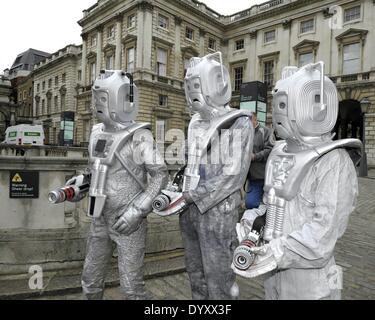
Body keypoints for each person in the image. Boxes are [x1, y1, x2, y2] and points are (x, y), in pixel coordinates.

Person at [233, 62, 362, 300]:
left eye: (285, 104)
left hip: (310, 282)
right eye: (279, 104)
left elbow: (322, 236)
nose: (280, 112)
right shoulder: (280, 152)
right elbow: (268, 207)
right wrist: (251, 224)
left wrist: (274, 251)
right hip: (274, 273)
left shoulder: (333, 161)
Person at [49, 70, 168, 300]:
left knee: (132, 287)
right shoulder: (95, 133)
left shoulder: (140, 136)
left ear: (121, 99)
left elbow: (160, 176)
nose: (96, 105)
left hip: (128, 223)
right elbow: (94, 170)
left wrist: (137, 212)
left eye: (102, 99)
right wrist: (78, 185)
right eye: (96, 99)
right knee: (90, 280)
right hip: (99, 219)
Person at [152, 52, 254, 299]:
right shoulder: (194, 122)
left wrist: (192, 195)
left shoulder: (239, 123)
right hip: (189, 211)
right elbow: (189, 164)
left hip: (218, 213)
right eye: (189, 86)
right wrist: (176, 190)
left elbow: (233, 177)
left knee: (219, 279)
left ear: (216, 85)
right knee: (195, 273)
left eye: (195, 86)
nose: (190, 93)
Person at [245, 112, 275, 209]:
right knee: (250, 204)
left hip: (265, 176)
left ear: (255, 120)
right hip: (252, 177)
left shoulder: (266, 131)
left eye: (249, 121)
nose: (247, 124)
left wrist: (255, 156)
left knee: (269, 204)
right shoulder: (245, 133)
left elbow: (270, 149)